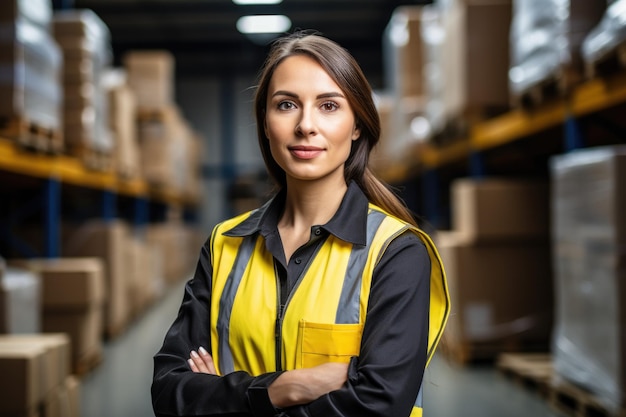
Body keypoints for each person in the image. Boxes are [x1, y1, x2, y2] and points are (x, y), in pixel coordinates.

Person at [151, 31, 450, 417]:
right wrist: (284, 388)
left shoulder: (397, 252)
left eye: (329, 106)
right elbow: (169, 391)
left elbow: (380, 405)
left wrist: (224, 396)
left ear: (357, 125)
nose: (306, 125)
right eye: (287, 104)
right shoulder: (224, 244)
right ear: (265, 122)